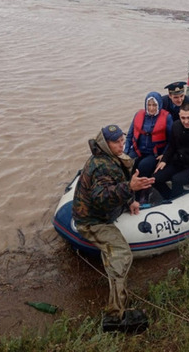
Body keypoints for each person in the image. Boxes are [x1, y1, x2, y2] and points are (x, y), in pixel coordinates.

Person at [72, 124, 154, 330]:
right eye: (116, 142)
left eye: (122, 140)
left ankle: (115, 308)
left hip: (98, 214)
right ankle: (114, 316)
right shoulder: (102, 166)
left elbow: (113, 186)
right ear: (105, 144)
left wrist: (129, 201)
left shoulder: (109, 159)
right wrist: (130, 187)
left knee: (115, 254)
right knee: (121, 253)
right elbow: (101, 198)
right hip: (92, 221)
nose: (121, 144)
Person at [124, 92, 173, 179]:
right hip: (137, 150)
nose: (151, 108)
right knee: (126, 164)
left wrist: (165, 155)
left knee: (143, 167)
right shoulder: (138, 114)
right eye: (149, 105)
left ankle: (142, 188)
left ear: (159, 105)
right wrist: (126, 152)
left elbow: (171, 140)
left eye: (154, 105)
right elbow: (129, 136)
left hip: (154, 154)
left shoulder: (167, 118)